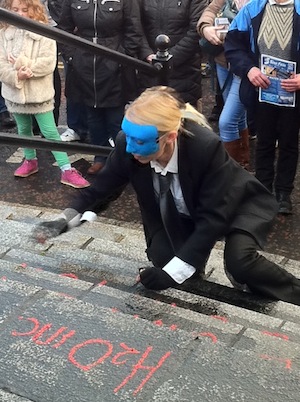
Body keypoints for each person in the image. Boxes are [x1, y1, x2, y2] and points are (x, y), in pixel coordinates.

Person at [32, 86, 300, 306]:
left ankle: (293, 292)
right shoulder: (129, 145)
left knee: (240, 262)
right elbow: (100, 189)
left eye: (141, 141)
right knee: (164, 259)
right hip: (179, 209)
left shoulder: (204, 147)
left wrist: (173, 274)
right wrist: (63, 221)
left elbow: (213, 219)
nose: (133, 148)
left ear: (169, 137)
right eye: (130, 138)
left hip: (235, 204)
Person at [0, 0, 90, 188]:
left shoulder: (43, 32)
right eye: (15, 10)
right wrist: (16, 75)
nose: (20, 14)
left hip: (38, 94)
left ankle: (66, 169)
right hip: (14, 92)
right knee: (23, 130)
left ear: (35, 10)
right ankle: (30, 160)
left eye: (25, 10)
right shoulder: (4, 33)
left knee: (50, 132)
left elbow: (48, 63)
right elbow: (1, 65)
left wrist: (21, 65)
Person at [224, 0, 300, 214]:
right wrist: (249, 69)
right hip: (262, 90)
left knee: (289, 142)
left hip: (293, 93)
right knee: (265, 141)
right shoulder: (252, 9)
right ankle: (263, 189)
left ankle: (284, 193)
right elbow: (233, 44)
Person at [58, 0, 142, 174]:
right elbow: (63, 28)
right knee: (92, 114)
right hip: (84, 62)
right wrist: (72, 57)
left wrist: (121, 58)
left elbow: (133, 30)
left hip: (115, 61)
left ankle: (123, 159)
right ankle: (100, 157)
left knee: (115, 118)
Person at [197, 0, 250, 168]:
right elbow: (209, 11)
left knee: (226, 121)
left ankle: (231, 175)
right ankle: (242, 164)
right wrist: (206, 28)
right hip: (223, 62)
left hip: (246, 66)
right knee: (237, 117)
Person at [138, 0, 208, 108]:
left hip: (184, 70)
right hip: (149, 68)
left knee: (182, 118)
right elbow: (136, 25)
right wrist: (147, 53)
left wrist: (168, 58)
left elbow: (196, 30)